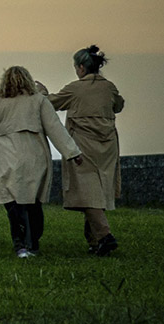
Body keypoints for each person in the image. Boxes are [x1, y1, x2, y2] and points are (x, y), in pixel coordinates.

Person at [0, 66, 82, 258]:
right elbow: (55, 128)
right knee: (32, 203)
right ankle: (33, 242)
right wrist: (73, 152)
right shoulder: (39, 101)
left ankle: (21, 245)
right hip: (34, 159)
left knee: (14, 205)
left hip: (6, 160)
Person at [37, 45, 125, 256]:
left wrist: (41, 92)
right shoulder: (109, 87)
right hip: (108, 146)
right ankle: (94, 242)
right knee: (99, 191)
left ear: (82, 68)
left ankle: (105, 236)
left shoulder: (75, 88)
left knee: (87, 192)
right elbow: (119, 105)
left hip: (83, 145)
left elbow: (51, 104)